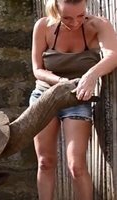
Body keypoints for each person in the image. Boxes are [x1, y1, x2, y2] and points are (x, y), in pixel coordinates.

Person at [30, 0, 117, 199]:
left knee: (76, 165)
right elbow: (37, 70)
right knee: (45, 161)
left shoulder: (98, 25)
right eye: (67, 17)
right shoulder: (43, 26)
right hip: (44, 96)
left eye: (80, 15)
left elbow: (113, 55)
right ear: (55, 9)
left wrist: (91, 75)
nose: (75, 22)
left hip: (77, 100)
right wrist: (61, 82)